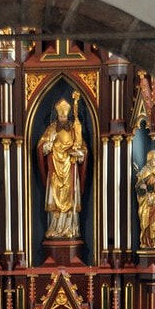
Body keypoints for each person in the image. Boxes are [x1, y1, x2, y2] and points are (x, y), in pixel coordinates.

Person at [37, 92, 87, 239]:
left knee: (70, 200)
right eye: (61, 116)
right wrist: (49, 143)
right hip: (55, 170)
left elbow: (82, 148)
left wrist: (79, 154)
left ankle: (70, 228)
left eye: (65, 117)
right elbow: (41, 149)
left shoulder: (74, 129)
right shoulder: (51, 129)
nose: (63, 119)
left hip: (70, 169)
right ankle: (55, 228)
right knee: (55, 201)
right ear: (57, 116)